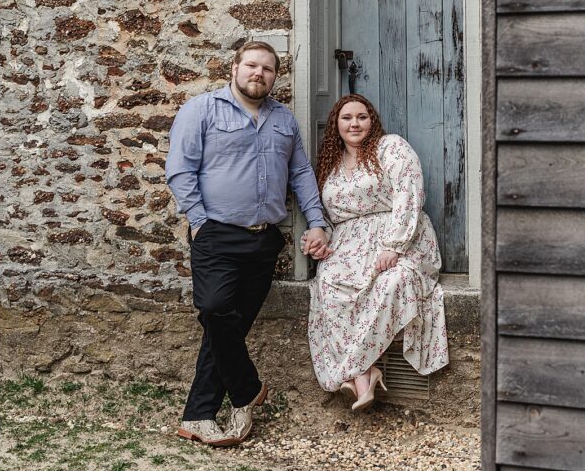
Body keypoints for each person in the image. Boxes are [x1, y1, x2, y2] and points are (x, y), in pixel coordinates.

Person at [166, 41, 331, 447]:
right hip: (216, 234)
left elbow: (302, 174)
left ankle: (198, 416)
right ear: (235, 67)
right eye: (251, 65)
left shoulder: (284, 120)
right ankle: (247, 390)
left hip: (263, 242)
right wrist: (200, 222)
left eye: (268, 69)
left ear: (276, 76)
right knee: (215, 310)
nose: (259, 73)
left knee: (229, 330)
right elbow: (179, 170)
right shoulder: (202, 110)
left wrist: (318, 222)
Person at [303, 94, 449, 411]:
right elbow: (328, 218)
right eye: (347, 118)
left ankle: (351, 374)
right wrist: (318, 239)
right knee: (329, 287)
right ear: (335, 125)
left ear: (372, 121)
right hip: (347, 248)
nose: (354, 123)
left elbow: (409, 196)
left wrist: (394, 245)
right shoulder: (329, 164)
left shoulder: (391, 148)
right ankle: (365, 375)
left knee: (392, 283)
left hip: (399, 239)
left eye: (362, 116)